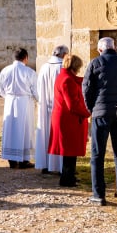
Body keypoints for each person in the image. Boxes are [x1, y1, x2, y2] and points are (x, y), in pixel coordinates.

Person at [83, 37, 117, 205]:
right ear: (115, 47)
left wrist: (92, 109)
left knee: (97, 155)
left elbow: (87, 88)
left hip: (101, 112)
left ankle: (99, 194)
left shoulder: (95, 63)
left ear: (100, 50)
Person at [48, 53, 89, 187]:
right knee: (69, 150)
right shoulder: (67, 80)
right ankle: (67, 179)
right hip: (68, 119)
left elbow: (76, 81)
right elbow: (72, 105)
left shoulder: (64, 77)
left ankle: (69, 176)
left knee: (70, 150)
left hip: (65, 118)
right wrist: (87, 112)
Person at [0, 48, 36, 169]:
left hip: (10, 102)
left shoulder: (5, 70)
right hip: (24, 103)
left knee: (10, 129)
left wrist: (8, 96)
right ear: (26, 58)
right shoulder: (29, 72)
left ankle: (12, 159)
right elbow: (36, 90)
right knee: (25, 129)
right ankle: (24, 159)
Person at [35, 45, 67, 175]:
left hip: (44, 107)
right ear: (63, 55)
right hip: (58, 107)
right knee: (58, 136)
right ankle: (59, 166)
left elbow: (38, 89)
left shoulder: (43, 67)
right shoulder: (62, 68)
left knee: (45, 135)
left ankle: (45, 164)